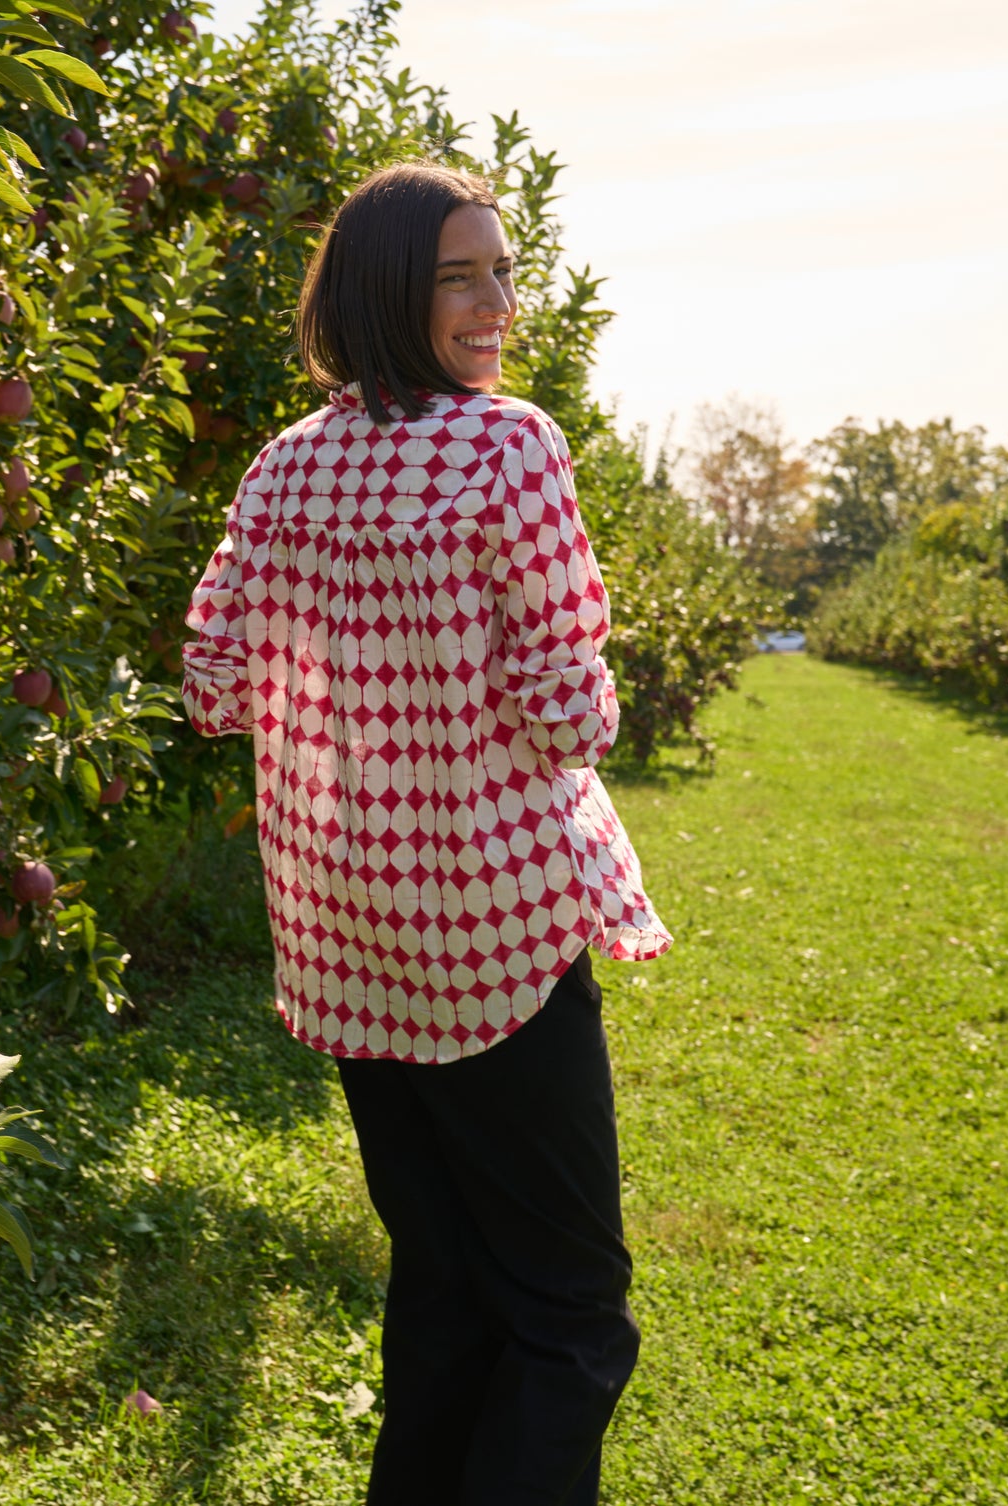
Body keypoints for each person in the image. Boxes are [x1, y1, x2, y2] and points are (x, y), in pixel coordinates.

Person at [182, 159, 671, 1506]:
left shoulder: (282, 469)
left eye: (502, 270)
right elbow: (570, 713)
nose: (495, 302)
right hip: (494, 936)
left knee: (444, 1283)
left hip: (348, 945)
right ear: (390, 289)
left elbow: (214, 681)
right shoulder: (508, 444)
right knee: (572, 1310)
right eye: (460, 274)